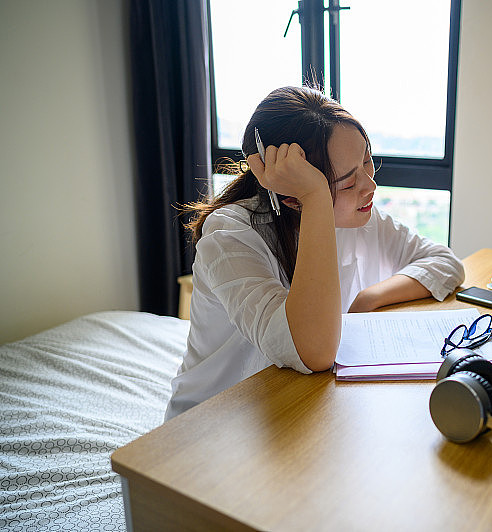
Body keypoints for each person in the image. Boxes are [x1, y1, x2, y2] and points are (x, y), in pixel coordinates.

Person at [164, 86, 465, 421]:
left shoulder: (358, 215)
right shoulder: (229, 235)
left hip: (298, 410)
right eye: (349, 183)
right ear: (293, 195)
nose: (370, 186)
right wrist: (316, 198)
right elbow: (313, 351)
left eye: (367, 161)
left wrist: (370, 299)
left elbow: (445, 262)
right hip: (212, 429)